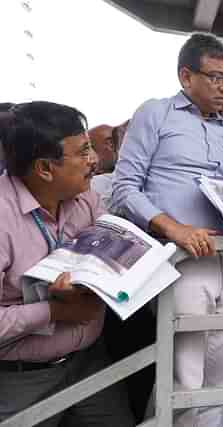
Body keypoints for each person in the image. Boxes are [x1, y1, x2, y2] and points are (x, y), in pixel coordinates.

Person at [112, 33, 223, 427]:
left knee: (220, 376)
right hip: (179, 259)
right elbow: (124, 188)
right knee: (184, 376)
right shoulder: (155, 113)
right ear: (186, 76)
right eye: (214, 77)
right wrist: (174, 229)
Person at [0, 101, 134, 426]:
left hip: (90, 363)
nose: (94, 160)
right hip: (22, 379)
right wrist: (54, 312)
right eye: (83, 151)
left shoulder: (86, 196)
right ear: (45, 169)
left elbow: (112, 242)